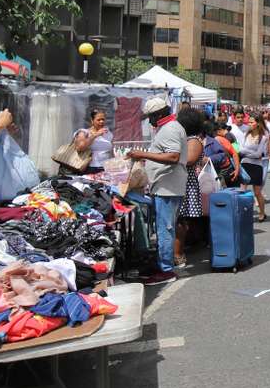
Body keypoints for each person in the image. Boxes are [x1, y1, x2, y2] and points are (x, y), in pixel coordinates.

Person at [128, 97, 188, 286]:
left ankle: (166, 270)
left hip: (168, 188)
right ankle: (163, 264)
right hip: (164, 186)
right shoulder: (168, 127)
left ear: (159, 114)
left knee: (165, 229)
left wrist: (142, 155)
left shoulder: (170, 128)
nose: (149, 121)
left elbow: (173, 156)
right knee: (163, 228)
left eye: (151, 117)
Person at [175, 108, 206, 268]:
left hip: (186, 184)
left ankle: (178, 254)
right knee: (179, 219)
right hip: (182, 182)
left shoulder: (193, 140)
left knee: (181, 220)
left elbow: (190, 159)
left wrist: (171, 157)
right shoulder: (187, 138)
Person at [239, 114, 270, 221]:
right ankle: (244, 213)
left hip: (257, 166)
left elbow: (258, 154)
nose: (250, 124)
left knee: (257, 192)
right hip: (245, 164)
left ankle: (262, 213)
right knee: (242, 191)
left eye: (252, 122)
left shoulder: (264, 138)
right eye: (249, 122)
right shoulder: (245, 135)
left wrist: (248, 153)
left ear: (257, 123)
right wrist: (250, 153)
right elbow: (241, 150)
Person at [72, 109, 114, 174]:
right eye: (98, 120)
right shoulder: (84, 132)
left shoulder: (108, 133)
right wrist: (95, 135)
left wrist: (114, 164)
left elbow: (111, 152)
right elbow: (80, 147)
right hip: (89, 168)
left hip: (106, 168)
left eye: (103, 119)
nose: (101, 121)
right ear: (92, 121)